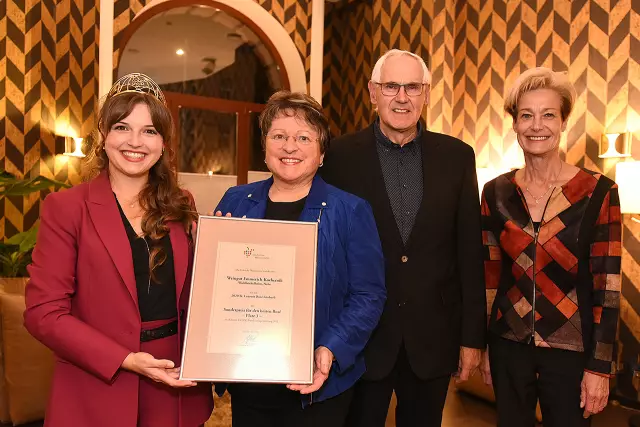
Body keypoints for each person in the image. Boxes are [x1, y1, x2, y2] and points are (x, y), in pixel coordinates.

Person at [24, 73, 214, 427]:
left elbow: (195, 294)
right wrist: (126, 358)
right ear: (103, 135)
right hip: (97, 382)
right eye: (123, 127)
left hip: (175, 380)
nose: (135, 142)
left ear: (163, 143)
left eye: (150, 131)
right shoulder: (67, 208)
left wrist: (223, 247)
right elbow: (43, 313)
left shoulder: (181, 204)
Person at [320, 49, 486, 426]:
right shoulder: (339, 156)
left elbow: (469, 252)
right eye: (391, 86)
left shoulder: (458, 157)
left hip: (433, 337)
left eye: (412, 87)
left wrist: (472, 338)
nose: (402, 96)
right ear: (372, 93)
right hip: (361, 339)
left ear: (426, 93)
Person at [214, 90, 386, 426]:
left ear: (321, 153)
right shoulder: (235, 201)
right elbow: (214, 287)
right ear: (265, 147)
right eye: (278, 136)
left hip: (319, 381)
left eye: (303, 137)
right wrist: (210, 250)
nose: (289, 146)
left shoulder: (350, 211)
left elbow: (368, 295)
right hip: (249, 378)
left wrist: (330, 349)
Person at [480, 67, 621, 427]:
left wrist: (600, 367)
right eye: (526, 115)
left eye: (548, 115)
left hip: (571, 351)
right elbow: (489, 276)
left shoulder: (597, 193)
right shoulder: (496, 193)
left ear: (563, 123)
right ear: (514, 124)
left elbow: (608, 287)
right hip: (508, 345)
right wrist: (482, 346)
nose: (536, 125)